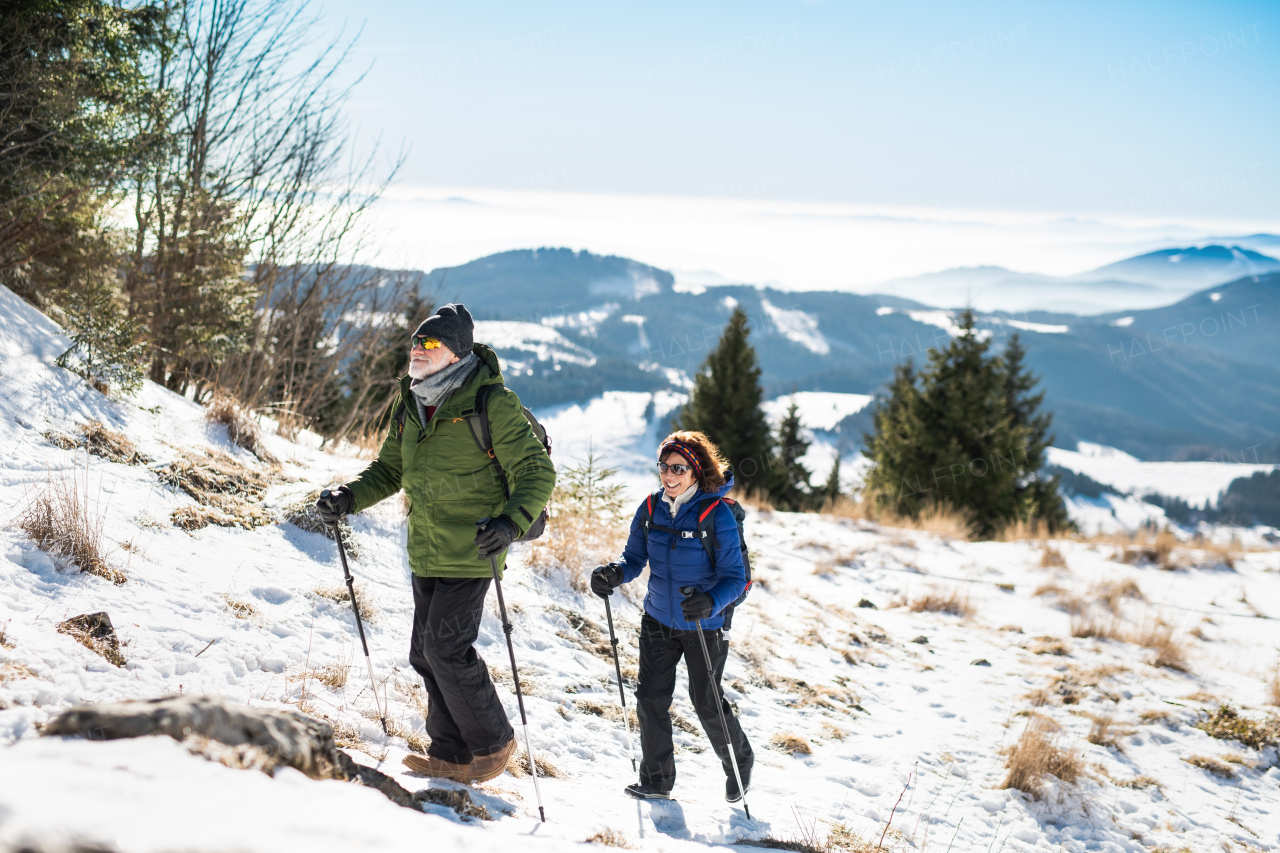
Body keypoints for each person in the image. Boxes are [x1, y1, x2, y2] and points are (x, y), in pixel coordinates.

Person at [315, 303, 555, 784]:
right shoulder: (411, 404)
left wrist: (509, 525)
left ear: (455, 354)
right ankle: (450, 752)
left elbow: (535, 472)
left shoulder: (491, 403)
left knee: (446, 648)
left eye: (430, 345)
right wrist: (349, 496)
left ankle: (493, 742)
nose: (417, 352)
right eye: (414, 344)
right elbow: (389, 470)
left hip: (475, 547)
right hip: (425, 546)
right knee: (425, 654)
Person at [591, 430, 754, 802]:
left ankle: (739, 762)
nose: (669, 475)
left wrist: (711, 602)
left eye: (678, 467)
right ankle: (656, 780)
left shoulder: (717, 515)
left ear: (695, 471)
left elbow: (735, 577)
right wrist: (614, 572)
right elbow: (633, 558)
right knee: (650, 698)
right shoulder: (651, 508)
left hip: (704, 624)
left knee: (707, 702)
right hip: (658, 618)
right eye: (664, 466)